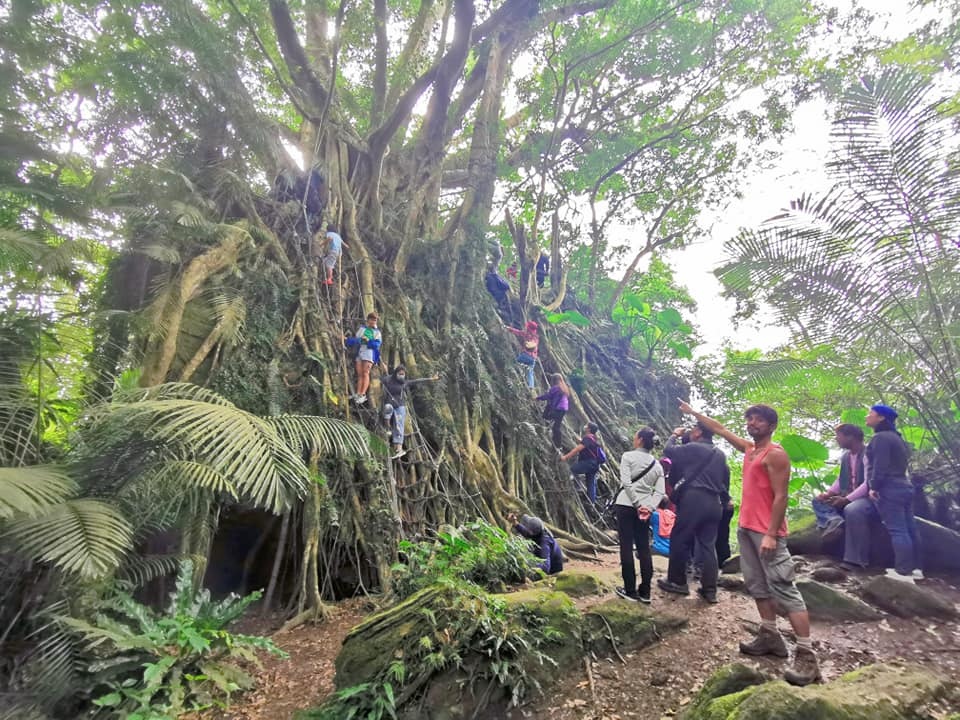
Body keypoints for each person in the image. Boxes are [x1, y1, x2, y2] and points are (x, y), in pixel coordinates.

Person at [677, 400, 820, 687]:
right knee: (756, 584)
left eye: (758, 420)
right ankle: (770, 636)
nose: (752, 423)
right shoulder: (749, 449)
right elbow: (719, 428)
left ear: (771, 426)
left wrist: (770, 533)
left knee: (784, 588)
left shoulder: (775, 455)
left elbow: (781, 497)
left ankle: (806, 654)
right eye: (750, 419)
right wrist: (694, 413)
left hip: (767, 532)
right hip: (745, 528)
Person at [844, 404, 919, 582]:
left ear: (881, 418)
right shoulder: (896, 437)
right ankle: (916, 568)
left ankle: (902, 571)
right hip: (904, 485)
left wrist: (874, 487)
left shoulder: (880, 439)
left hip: (889, 487)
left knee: (897, 529)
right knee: (909, 528)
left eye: (871, 413)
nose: (867, 416)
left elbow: (880, 466)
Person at [658, 422, 729, 604]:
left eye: (694, 429)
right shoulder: (720, 455)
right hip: (714, 503)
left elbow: (669, 450)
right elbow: (723, 482)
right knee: (708, 545)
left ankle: (677, 581)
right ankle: (710, 590)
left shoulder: (693, 448)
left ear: (698, 432)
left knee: (680, 538)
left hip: (694, 499)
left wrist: (674, 434)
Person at [613, 427, 665, 603]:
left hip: (625, 505)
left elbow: (626, 483)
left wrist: (636, 504)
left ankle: (630, 590)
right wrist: (648, 507)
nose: (633, 439)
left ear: (641, 439)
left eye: (635, 436)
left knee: (626, 546)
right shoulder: (657, 465)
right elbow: (660, 492)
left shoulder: (627, 456)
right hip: (644, 510)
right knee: (644, 548)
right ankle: (645, 592)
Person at [811, 424, 868, 542]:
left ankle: (833, 523)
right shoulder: (846, 456)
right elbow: (840, 479)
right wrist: (828, 494)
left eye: (838, 435)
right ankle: (834, 520)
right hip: (846, 494)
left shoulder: (868, 454)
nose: (836, 439)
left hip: (865, 498)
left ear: (850, 437)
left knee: (851, 508)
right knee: (818, 501)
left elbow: (868, 483)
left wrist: (846, 500)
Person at [381, 365, 439, 458]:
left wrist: (431, 378)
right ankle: (388, 428)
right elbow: (379, 378)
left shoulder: (404, 383)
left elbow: (417, 380)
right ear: (396, 373)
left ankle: (398, 449)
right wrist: (384, 370)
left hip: (400, 406)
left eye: (403, 374)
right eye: (400, 374)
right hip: (390, 405)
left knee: (399, 426)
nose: (402, 376)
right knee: (387, 408)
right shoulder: (388, 380)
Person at [560, 422, 604, 504]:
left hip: (589, 463)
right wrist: (578, 439)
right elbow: (586, 444)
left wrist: (565, 457)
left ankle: (578, 486)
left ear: (589, 429)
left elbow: (577, 449)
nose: (585, 426)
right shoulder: (594, 438)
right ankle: (592, 503)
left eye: (587, 426)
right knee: (590, 483)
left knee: (572, 469)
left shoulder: (587, 438)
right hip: (595, 465)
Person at [345, 312, 381, 404]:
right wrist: (346, 340)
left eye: (375, 320)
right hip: (360, 351)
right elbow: (357, 340)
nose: (373, 321)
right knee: (360, 373)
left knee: (365, 373)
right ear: (368, 319)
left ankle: (363, 394)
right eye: (372, 319)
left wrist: (369, 341)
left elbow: (377, 345)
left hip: (369, 353)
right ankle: (358, 393)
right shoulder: (362, 329)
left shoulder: (377, 332)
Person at [536, 373, 569, 448]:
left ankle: (546, 421)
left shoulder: (555, 388)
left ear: (554, 381)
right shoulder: (564, 388)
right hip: (564, 409)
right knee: (556, 427)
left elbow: (548, 396)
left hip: (558, 409)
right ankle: (558, 445)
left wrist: (537, 398)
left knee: (547, 415)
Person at [506, 320, 539, 389]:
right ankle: (531, 386)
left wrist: (509, 329)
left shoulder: (527, 334)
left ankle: (515, 376)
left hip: (526, 355)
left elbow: (518, 332)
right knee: (530, 372)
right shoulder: (536, 337)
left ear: (529, 328)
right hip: (533, 358)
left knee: (515, 362)